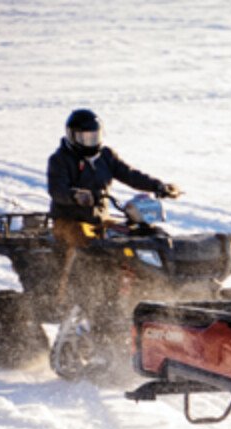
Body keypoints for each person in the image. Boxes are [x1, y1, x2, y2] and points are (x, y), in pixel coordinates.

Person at [46, 108, 180, 305]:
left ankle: (146, 288)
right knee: (84, 240)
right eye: (84, 137)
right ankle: (65, 296)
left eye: (94, 136)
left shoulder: (106, 156)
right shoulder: (60, 160)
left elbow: (130, 174)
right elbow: (57, 190)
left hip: (100, 219)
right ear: (72, 136)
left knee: (139, 236)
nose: (90, 142)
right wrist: (75, 196)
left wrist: (158, 186)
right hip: (69, 220)